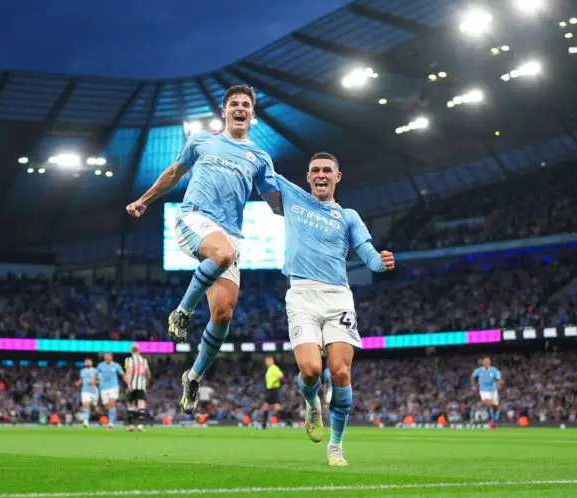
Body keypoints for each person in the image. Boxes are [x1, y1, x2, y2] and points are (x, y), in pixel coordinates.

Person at [126, 85, 281, 415]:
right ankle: (181, 312)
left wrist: (313, 207)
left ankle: (193, 376)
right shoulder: (200, 140)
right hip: (193, 218)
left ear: (252, 114)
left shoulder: (260, 158)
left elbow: (276, 203)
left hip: (230, 235)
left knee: (223, 315)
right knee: (223, 255)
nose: (240, 108)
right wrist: (144, 200)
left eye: (246, 105)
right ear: (224, 112)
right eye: (234, 104)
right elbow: (173, 173)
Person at [275, 152, 395, 466]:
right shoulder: (293, 197)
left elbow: (368, 254)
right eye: (315, 170)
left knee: (340, 372)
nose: (321, 175)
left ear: (337, 177)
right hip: (301, 295)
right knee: (311, 370)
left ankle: (336, 446)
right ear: (307, 177)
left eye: (327, 170)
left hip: (338, 298)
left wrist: (380, 263)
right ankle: (312, 401)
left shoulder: (349, 216)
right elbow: (260, 169)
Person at [123, 344, 151, 432]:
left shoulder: (128, 360)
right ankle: (140, 426)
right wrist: (145, 384)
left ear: (131, 351)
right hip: (141, 385)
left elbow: (128, 372)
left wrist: (128, 385)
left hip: (132, 384)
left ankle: (130, 425)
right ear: (139, 351)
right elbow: (148, 374)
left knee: (130, 404)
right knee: (141, 404)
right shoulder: (144, 360)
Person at [471, 357, 503, 430]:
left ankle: (493, 423)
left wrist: (499, 382)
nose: (486, 363)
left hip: (493, 390)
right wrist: (473, 385)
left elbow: (499, 379)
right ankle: (491, 419)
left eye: (488, 362)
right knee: (487, 402)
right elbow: (472, 377)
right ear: (483, 363)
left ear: (490, 363)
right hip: (484, 390)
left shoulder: (494, 370)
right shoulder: (479, 370)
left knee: (495, 409)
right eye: (485, 362)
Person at [96, 353, 124, 430]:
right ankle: (110, 417)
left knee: (112, 404)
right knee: (106, 406)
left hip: (113, 387)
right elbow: (96, 374)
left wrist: (128, 382)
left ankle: (111, 423)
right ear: (104, 358)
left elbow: (122, 374)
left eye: (108, 356)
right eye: (106, 356)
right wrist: (94, 380)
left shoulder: (116, 365)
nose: (107, 358)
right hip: (103, 388)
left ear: (112, 357)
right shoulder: (100, 365)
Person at [261, 356, 284, 430]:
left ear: (272, 361)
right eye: (266, 361)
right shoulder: (269, 369)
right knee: (268, 405)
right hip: (270, 390)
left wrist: (273, 382)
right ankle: (264, 424)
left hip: (273, 389)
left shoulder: (274, 368)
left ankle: (288, 420)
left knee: (274, 406)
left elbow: (281, 375)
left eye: (268, 361)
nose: (266, 362)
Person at [77, 358, 98, 428]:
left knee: (93, 407)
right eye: (86, 362)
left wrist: (94, 382)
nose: (87, 363)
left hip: (94, 392)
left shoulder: (95, 371)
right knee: (86, 405)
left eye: (89, 362)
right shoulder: (82, 371)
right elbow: (81, 379)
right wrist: (78, 383)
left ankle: (94, 409)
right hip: (85, 391)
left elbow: (100, 381)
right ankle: (85, 421)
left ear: (92, 363)